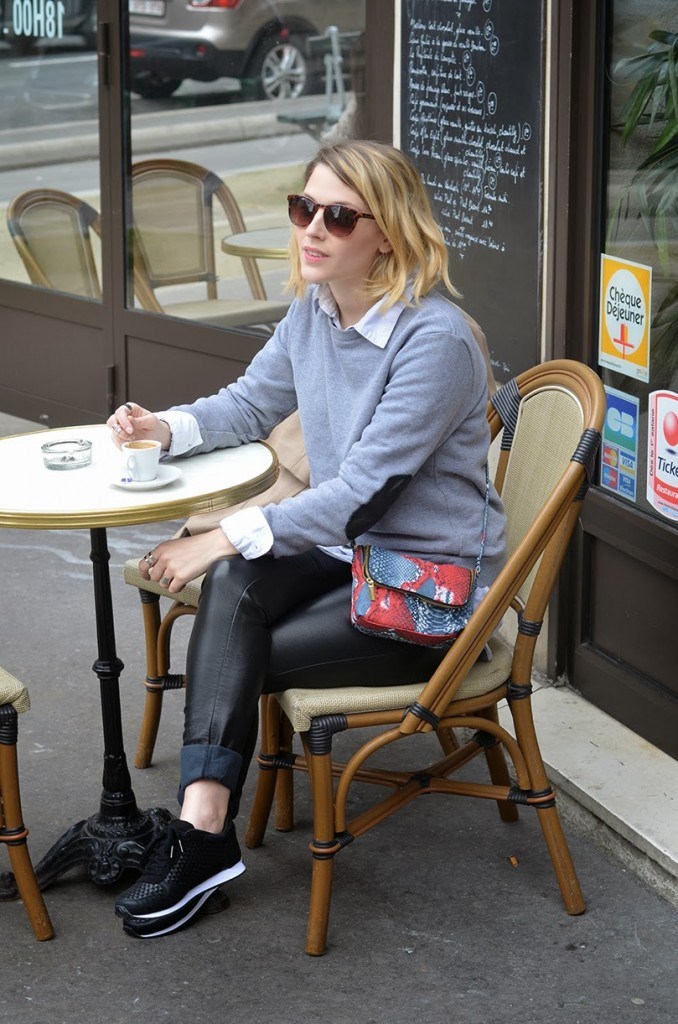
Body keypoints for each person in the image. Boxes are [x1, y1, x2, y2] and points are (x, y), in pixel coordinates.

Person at [107, 140, 506, 938]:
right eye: (303, 208)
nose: (312, 229)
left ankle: (198, 837)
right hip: (341, 555)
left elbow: (360, 495)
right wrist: (166, 427)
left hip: (423, 585)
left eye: (338, 216)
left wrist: (220, 537)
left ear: (387, 233)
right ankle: (204, 829)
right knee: (235, 591)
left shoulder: (435, 342)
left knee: (231, 631)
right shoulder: (316, 308)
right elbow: (250, 403)